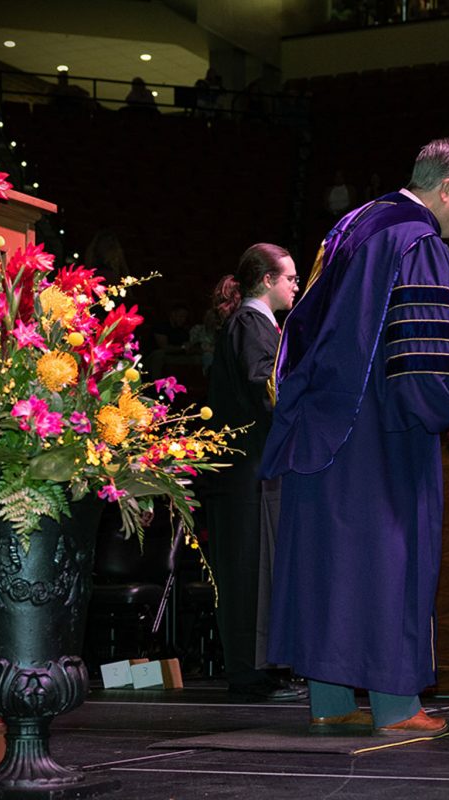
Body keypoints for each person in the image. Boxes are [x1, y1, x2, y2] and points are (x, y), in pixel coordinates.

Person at [259, 138, 449, 735]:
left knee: (330, 566)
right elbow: (426, 363)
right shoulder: (419, 240)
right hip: (382, 431)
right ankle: (396, 706)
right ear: (445, 189)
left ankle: (331, 702)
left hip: (321, 423)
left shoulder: (352, 224)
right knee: (390, 558)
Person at [205, 244, 303, 702]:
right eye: (289, 278)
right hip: (247, 470)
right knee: (249, 570)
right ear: (266, 280)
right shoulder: (250, 323)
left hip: (253, 468)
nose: (295, 286)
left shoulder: (256, 324)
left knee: (259, 568)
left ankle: (265, 669)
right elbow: (263, 384)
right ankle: (251, 674)